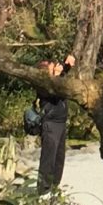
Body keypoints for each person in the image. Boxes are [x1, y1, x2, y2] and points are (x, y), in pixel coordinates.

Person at [34, 52, 76, 192]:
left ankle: (54, 185)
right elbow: (53, 92)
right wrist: (58, 76)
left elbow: (61, 83)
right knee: (48, 157)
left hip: (61, 122)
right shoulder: (42, 84)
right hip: (50, 123)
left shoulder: (55, 80)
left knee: (59, 157)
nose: (55, 69)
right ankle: (43, 189)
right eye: (52, 68)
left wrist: (66, 66)